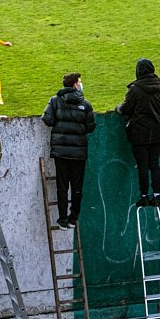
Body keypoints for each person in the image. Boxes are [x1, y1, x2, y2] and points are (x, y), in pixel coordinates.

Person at [42, 73, 96, 230]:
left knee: (62, 186)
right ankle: (74, 218)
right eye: (79, 82)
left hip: (61, 151)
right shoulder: (85, 104)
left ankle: (63, 219)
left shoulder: (55, 101)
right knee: (77, 187)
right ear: (74, 85)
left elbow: (47, 120)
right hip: (79, 153)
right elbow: (90, 127)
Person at [115, 58, 160, 207]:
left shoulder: (135, 89)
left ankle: (144, 196)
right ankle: (157, 195)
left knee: (142, 165)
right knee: (154, 163)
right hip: (157, 132)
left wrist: (118, 108)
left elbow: (126, 109)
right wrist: (158, 120)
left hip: (139, 133)